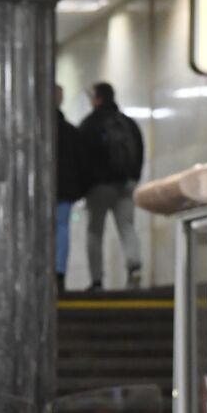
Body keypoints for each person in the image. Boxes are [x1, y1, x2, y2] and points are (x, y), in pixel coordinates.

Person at [79, 81, 145, 290]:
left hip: (99, 187)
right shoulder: (128, 123)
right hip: (126, 185)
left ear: (98, 98)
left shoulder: (90, 124)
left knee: (95, 232)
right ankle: (134, 266)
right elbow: (140, 152)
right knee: (127, 227)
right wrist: (133, 178)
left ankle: (97, 280)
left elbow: (82, 157)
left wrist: (86, 184)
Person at [54, 85, 89, 294]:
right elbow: (82, 163)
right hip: (65, 190)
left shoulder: (34, 130)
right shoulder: (70, 131)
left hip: (39, 193)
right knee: (62, 229)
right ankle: (59, 272)